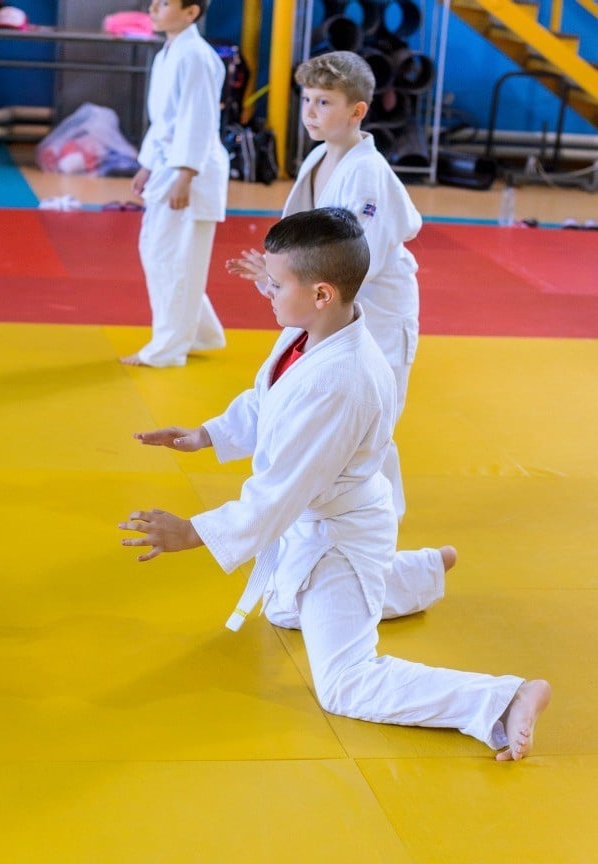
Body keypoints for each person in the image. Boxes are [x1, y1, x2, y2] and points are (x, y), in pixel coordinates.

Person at [119, 208, 550, 761]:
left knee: (344, 684)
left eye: (275, 284)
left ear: (322, 293)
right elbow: (267, 402)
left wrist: (193, 533)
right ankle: (415, 573)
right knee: (282, 608)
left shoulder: (341, 381)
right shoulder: (307, 335)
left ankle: (503, 697)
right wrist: (206, 434)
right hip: (319, 520)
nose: (265, 292)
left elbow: (280, 492)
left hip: (340, 535)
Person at [227, 51, 421, 520]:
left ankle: (377, 525)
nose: (311, 112)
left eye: (325, 102)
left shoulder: (366, 172)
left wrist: (287, 281)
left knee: (369, 422)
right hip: (328, 300)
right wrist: (278, 277)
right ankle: (327, 514)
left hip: (374, 305)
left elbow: (359, 259)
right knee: (318, 407)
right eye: (307, 100)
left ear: (358, 111)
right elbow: (310, 243)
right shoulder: (320, 156)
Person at [121, 0, 229, 368]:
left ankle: (168, 348)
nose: (154, 8)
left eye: (165, 3)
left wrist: (186, 173)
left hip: (192, 171)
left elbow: (198, 118)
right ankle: (200, 332)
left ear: (191, 12)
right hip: (169, 163)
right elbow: (164, 121)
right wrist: (148, 164)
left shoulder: (196, 56)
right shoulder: (168, 53)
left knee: (177, 259)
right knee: (160, 253)